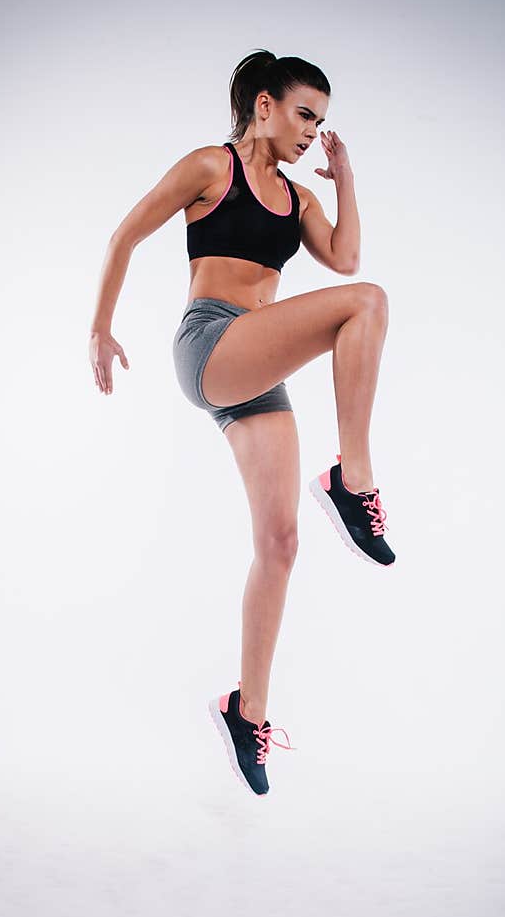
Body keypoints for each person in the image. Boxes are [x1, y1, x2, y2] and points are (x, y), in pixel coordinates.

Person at [89, 49, 394, 796]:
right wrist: (100, 328)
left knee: (281, 542)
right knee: (368, 303)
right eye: (302, 115)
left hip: (257, 371)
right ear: (263, 104)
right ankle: (353, 481)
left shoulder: (297, 199)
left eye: (321, 122)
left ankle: (246, 711)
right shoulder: (209, 167)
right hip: (211, 342)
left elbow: (345, 255)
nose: (310, 133)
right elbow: (124, 235)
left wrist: (344, 178)